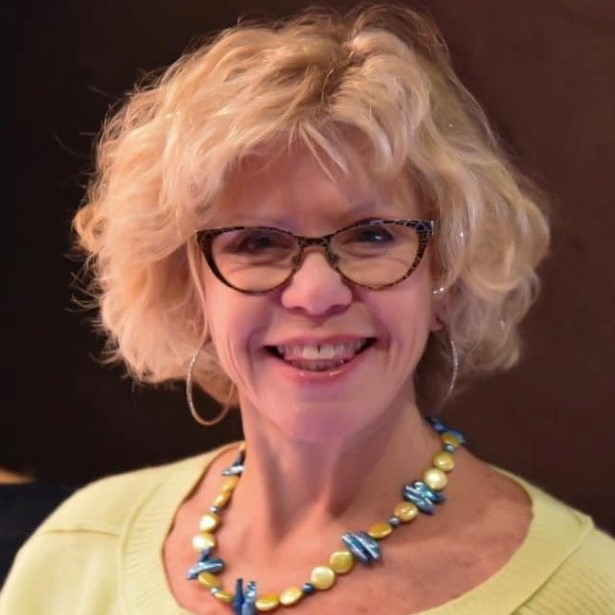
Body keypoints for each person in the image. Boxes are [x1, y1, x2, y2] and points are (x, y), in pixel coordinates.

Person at [1, 3, 613, 614]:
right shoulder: (73, 555)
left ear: (446, 278)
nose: (316, 294)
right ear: (189, 291)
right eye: (257, 242)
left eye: (372, 235)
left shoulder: (588, 590)